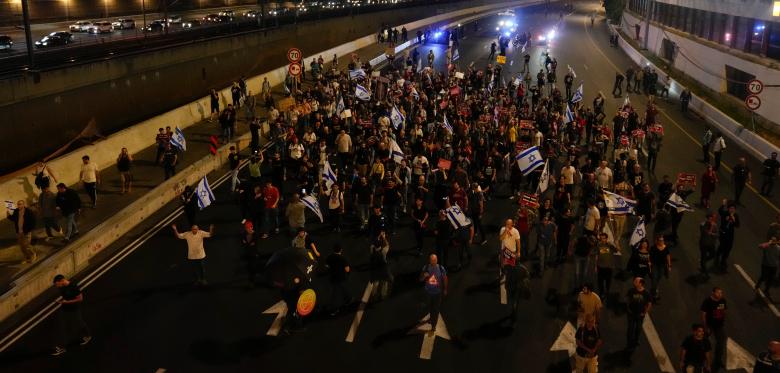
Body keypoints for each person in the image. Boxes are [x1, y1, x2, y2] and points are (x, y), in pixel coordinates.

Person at [51, 274, 92, 356]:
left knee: (79, 323)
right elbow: (66, 297)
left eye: (57, 284)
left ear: (61, 281)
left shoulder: (73, 287)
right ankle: (62, 347)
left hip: (74, 309)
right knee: (64, 327)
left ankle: (87, 335)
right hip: (65, 309)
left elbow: (80, 299)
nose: (57, 286)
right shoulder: (61, 287)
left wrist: (66, 302)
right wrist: (63, 301)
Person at [701, 287, 727, 370]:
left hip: (719, 326)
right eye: (718, 293)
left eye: (721, 293)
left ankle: (718, 361)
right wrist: (706, 327)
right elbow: (703, 315)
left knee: (720, 343)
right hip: (709, 325)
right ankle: (702, 360)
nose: (720, 295)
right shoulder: (707, 301)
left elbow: (724, 311)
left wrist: (722, 320)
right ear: (713, 293)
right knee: (704, 343)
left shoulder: (723, 300)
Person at [420, 254, 447, 330]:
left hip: (437, 293)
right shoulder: (426, 268)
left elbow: (445, 279)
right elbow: (420, 279)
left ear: (437, 260)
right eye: (432, 260)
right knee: (430, 307)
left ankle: (434, 325)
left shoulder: (441, 268)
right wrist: (423, 276)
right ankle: (431, 318)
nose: (433, 262)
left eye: (435, 260)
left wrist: (445, 289)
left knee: (436, 309)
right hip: (428, 292)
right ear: (429, 260)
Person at [626, 277, 652, 350]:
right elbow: (628, 299)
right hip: (631, 313)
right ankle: (629, 342)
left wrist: (644, 313)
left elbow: (649, 304)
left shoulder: (646, 293)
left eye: (636, 281)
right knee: (630, 328)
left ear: (641, 284)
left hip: (640, 315)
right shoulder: (631, 291)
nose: (634, 282)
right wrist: (628, 308)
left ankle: (636, 340)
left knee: (638, 328)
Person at [326, 244, 351, 316]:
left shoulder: (330, 257)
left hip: (333, 278)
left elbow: (327, 266)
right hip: (341, 277)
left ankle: (348, 299)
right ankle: (335, 308)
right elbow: (347, 269)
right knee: (338, 292)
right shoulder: (342, 259)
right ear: (341, 250)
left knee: (336, 291)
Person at [716, 199, 740, 271]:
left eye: (733, 209)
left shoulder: (735, 215)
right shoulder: (725, 213)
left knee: (729, 247)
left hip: (730, 234)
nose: (732, 210)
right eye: (730, 208)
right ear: (728, 208)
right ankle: (718, 254)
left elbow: (737, 225)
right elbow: (719, 210)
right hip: (723, 233)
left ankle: (723, 259)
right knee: (722, 246)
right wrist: (723, 204)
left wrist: (734, 219)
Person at [594, 232, 618, 300]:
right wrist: (595, 266)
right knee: (600, 282)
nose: (602, 240)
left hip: (608, 267)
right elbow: (596, 256)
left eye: (604, 238)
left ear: (606, 239)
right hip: (600, 267)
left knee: (608, 281)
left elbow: (617, 250)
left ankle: (607, 292)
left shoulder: (610, 245)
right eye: (601, 238)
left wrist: (616, 244)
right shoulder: (599, 246)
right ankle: (601, 293)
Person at [649, 236, 671, 303]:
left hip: (662, 266)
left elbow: (668, 256)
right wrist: (649, 262)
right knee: (654, 278)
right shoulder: (653, 248)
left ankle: (654, 287)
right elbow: (649, 255)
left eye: (663, 240)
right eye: (660, 240)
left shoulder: (665, 247)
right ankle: (654, 294)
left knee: (659, 277)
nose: (662, 242)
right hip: (655, 265)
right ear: (657, 241)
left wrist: (669, 265)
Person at [699, 212, 718, 277]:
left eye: (712, 219)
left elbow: (716, 234)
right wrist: (712, 227)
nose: (711, 220)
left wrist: (714, 234)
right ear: (707, 219)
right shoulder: (702, 224)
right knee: (703, 256)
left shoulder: (714, 225)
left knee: (713, 255)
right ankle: (704, 271)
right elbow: (707, 233)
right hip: (704, 243)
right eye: (710, 219)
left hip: (711, 244)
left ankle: (703, 261)